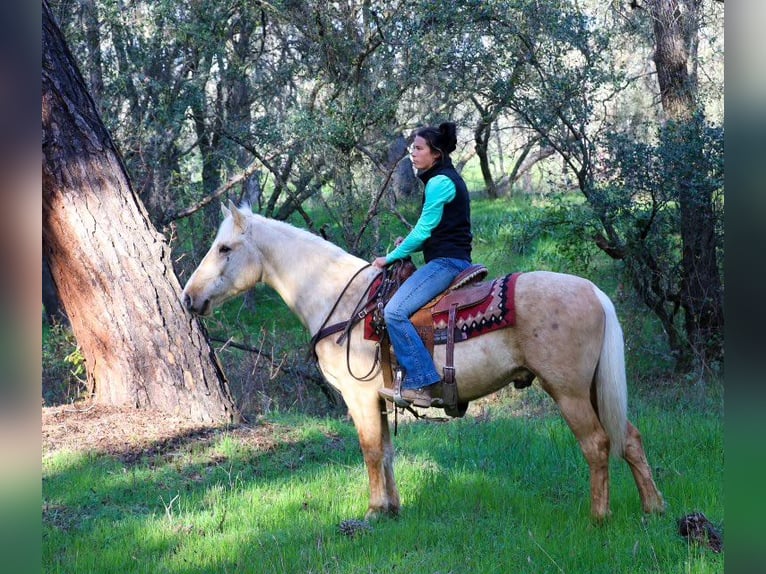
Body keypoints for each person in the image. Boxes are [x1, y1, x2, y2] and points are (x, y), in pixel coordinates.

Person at [372, 122, 472, 408]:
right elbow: (431, 230)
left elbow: (424, 230)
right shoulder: (441, 179)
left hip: (447, 263)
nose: (412, 154)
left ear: (436, 154)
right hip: (449, 257)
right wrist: (413, 243)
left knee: (394, 312)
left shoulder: (440, 182)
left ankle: (422, 382)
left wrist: (389, 258)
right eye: (412, 148)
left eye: (418, 149)